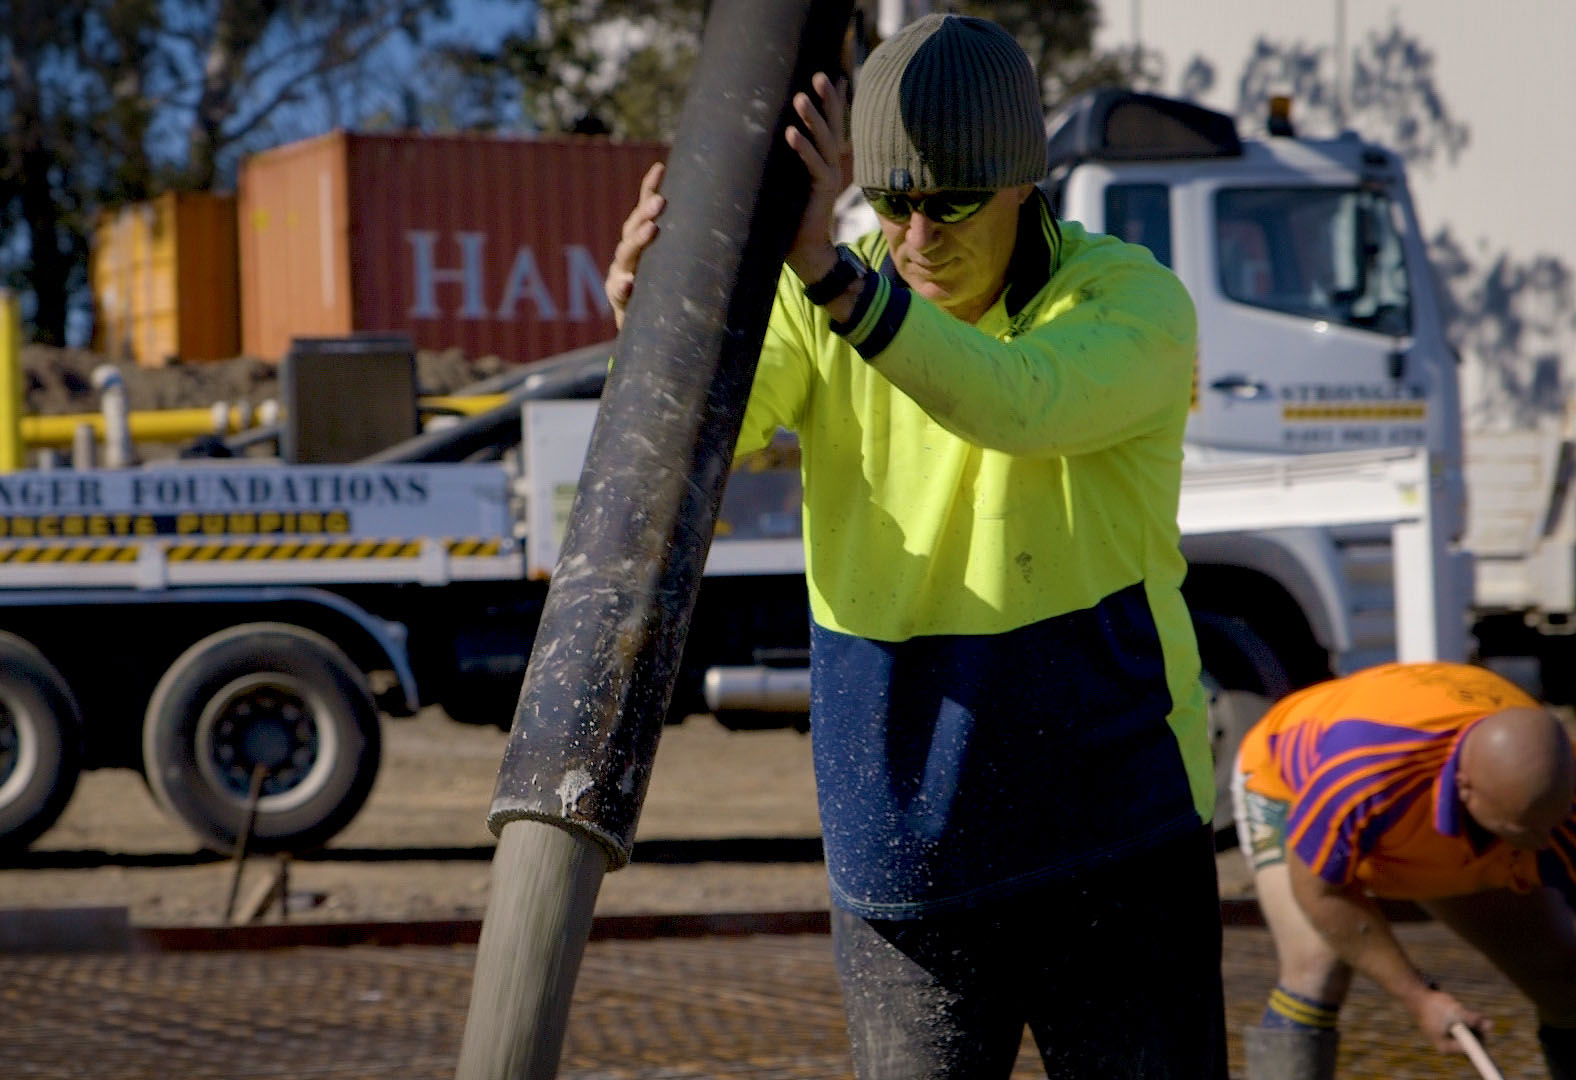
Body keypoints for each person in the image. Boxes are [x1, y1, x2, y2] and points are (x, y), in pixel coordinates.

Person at [605, 14, 1225, 1079]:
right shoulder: (826, 302)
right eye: (892, 204)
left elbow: (1019, 404)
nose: (918, 238)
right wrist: (655, 325)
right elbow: (722, 428)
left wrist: (845, 287)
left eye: (949, 204)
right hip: (908, 839)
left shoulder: (1130, 301)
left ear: (1025, 180)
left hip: (1115, 828)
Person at [1234, 661, 1576, 1080]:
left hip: (1422, 817)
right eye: (1522, 831)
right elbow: (1321, 893)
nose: (1541, 843)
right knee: (1317, 967)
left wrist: (1524, 830)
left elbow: (1541, 832)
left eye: (1549, 827)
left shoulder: (1551, 789)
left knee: (1564, 979)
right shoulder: (1361, 772)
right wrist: (1419, 998)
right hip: (1287, 781)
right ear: (1466, 789)